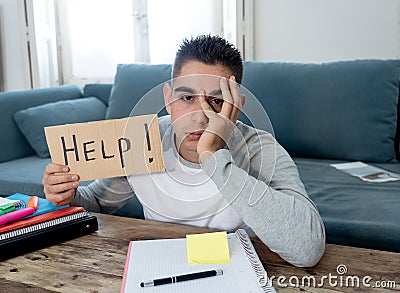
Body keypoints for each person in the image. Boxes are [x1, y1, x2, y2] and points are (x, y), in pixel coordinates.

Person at [43, 35, 325, 267]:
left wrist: (214, 157)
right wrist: (69, 195)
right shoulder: (143, 140)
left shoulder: (260, 148)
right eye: (187, 97)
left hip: (234, 268)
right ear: (168, 99)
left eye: (216, 101)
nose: (200, 116)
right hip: (160, 264)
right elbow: (98, 203)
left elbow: (307, 249)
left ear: (236, 106)